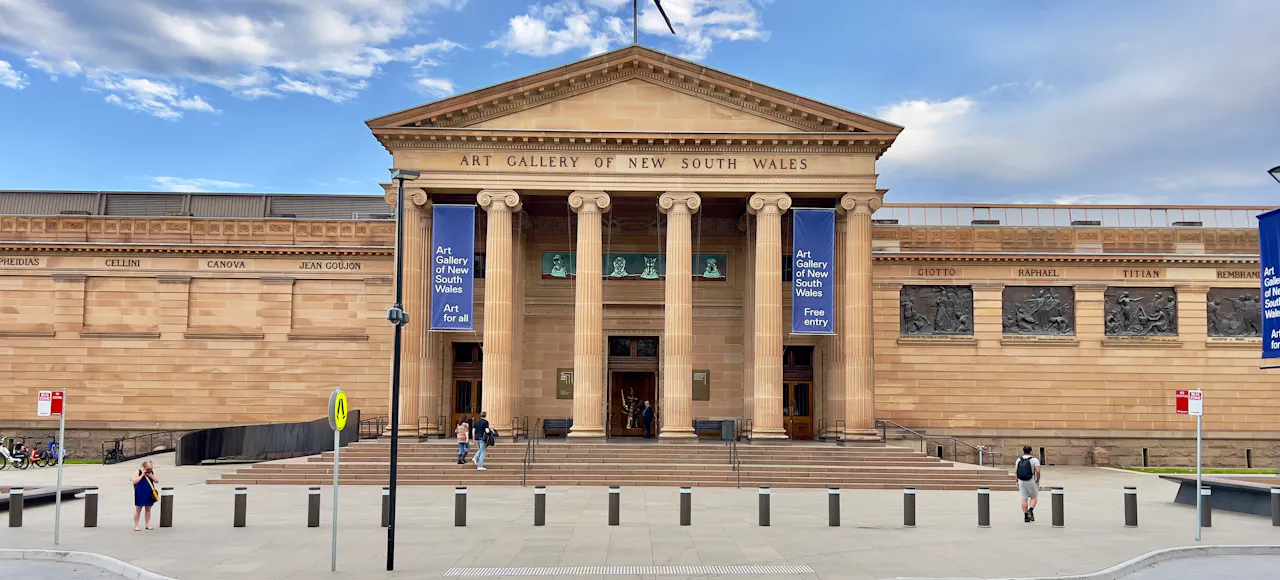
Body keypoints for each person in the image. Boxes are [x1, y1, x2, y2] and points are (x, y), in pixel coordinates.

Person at [131, 460, 160, 531]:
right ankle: (136, 525)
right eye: (148, 469)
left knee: (148, 509)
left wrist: (151, 475)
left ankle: (147, 524)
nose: (149, 470)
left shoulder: (151, 472)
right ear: (144, 467)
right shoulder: (138, 472)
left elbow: (157, 481)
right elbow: (134, 481)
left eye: (151, 468)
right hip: (140, 492)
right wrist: (142, 475)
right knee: (138, 509)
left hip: (149, 493)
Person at [1015, 446, 1041, 522]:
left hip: (1021, 481)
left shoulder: (1019, 459)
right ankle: (1030, 510)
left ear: (1023, 451)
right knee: (1034, 497)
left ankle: (1026, 516)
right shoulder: (1034, 460)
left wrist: (1017, 481)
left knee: (1024, 498)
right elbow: (1038, 471)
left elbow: (1016, 471)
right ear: (1031, 451)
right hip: (1031, 480)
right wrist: (1038, 479)